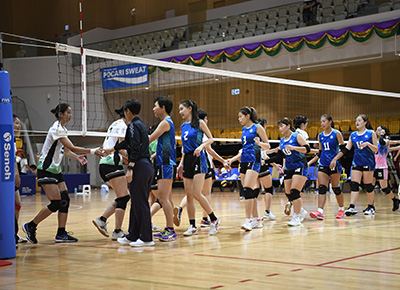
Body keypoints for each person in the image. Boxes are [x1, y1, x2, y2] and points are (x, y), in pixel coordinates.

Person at [23, 103, 102, 244]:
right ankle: (30, 226)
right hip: (46, 169)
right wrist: (92, 151)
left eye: (71, 113)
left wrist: (77, 157)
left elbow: (66, 151)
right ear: (61, 114)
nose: (70, 115)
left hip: (56, 170)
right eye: (68, 113)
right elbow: (71, 146)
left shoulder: (63, 129)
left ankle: (61, 233)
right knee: (55, 203)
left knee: (65, 200)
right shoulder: (56, 129)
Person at [105, 99, 155, 247]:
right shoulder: (138, 125)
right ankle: (133, 234)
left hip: (140, 166)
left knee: (141, 203)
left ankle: (146, 238)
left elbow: (134, 147)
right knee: (136, 202)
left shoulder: (133, 125)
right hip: (145, 166)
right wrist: (110, 149)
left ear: (127, 111)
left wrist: (131, 168)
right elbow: (126, 143)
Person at [173, 109, 227, 228]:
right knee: (203, 193)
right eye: (206, 118)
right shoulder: (196, 131)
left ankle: (182, 209)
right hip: (202, 163)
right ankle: (205, 219)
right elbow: (209, 150)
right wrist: (222, 161)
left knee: (193, 193)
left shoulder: (194, 130)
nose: (206, 121)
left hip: (201, 163)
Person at [227, 108, 270, 231]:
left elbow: (267, 145)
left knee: (247, 189)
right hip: (244, 160)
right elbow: (244, 148)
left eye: (240, 116)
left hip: (254, 160)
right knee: (249, 191)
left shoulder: (257, 127)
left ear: (247, 116)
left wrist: (259, 143)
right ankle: (257, 219)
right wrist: (232, 160)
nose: (239, 119)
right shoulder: (244, 129)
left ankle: (248, 220)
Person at [92, 106, 130, 241]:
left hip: (104, 164)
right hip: (111, 163)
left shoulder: (114, 124)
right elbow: (121, 148)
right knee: (124, 197)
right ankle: (117, 231)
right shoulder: (122, 126)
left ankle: (102, 220)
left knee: (123, 196)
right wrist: (134, 158)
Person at [148, 96, 178, 242]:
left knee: (163, 198)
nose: (154, 108)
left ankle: (170, 230)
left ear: (163, 107)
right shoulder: (165, 123)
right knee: (165, 197)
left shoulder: (165, 123)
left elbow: (149, 139)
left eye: (155, 106)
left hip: (166, 163)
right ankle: (169, 228)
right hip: (162, 162)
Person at [308, 114, 346, 220]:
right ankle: (320, 211)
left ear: (330, 121)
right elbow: (320, 153)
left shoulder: (336, 133)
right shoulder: (320, 135)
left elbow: (344, 150)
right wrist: (309, 163)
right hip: (323, 164)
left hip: (334, 164)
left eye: (324, 121)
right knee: (322, 188)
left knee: (335, 188)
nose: (322, 124)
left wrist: (335, 159)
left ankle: (341, 209)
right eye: (321, 122)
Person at [340, 115, 378, 216]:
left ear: (365, 122)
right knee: (354, 184)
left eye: (359, 120)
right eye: (356, 121)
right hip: (356, 162)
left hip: (368, 162)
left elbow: (376, 149)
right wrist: (337, 153)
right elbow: (347, 148)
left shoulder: (371, 133)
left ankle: (371, 206)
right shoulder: (353, 135)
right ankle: (352, 207)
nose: (357, 122)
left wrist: (368, 144)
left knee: (368, 185)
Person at [275, 118, 309, 226]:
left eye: (282, 126)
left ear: (288, 126)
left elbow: (307, 149)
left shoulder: (296, 136)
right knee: (288, 193)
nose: (280, 129)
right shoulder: (282, 141)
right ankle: (302, 211)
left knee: (295, 191)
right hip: (289, 167)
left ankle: (297, 216)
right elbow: (283, 155)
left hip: (300, 165)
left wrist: (294, 147)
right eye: (279, 127)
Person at [373, 126, 400, 211]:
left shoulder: (386, 141)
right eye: (377, 130)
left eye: (380, 129)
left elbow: (382, 142)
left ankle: (395, 200)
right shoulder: (374, 141)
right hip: (373, 166)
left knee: (384, 188)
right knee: (370, 187)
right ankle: (371, 206)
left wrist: (382, 135)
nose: (378, 131)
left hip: (382, 166)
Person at [257, 118, 276, 221]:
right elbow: (263, 153)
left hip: (252, 165)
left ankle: (253, 216)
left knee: (254, 190)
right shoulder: (262, 137)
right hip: (261, 165)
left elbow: (263, 152)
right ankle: (267, 212)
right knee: (268, 189)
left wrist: (273, 151)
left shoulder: (251, 135)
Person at [13, 115, 27, 245]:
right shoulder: (7, 139)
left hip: (12, 177)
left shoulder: (15, 140)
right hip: (8, 177)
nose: (19, 126)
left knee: (17, 203)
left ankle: (14, 234)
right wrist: (16, 174)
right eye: (16, 123)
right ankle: (11, 234)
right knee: (14, 204)